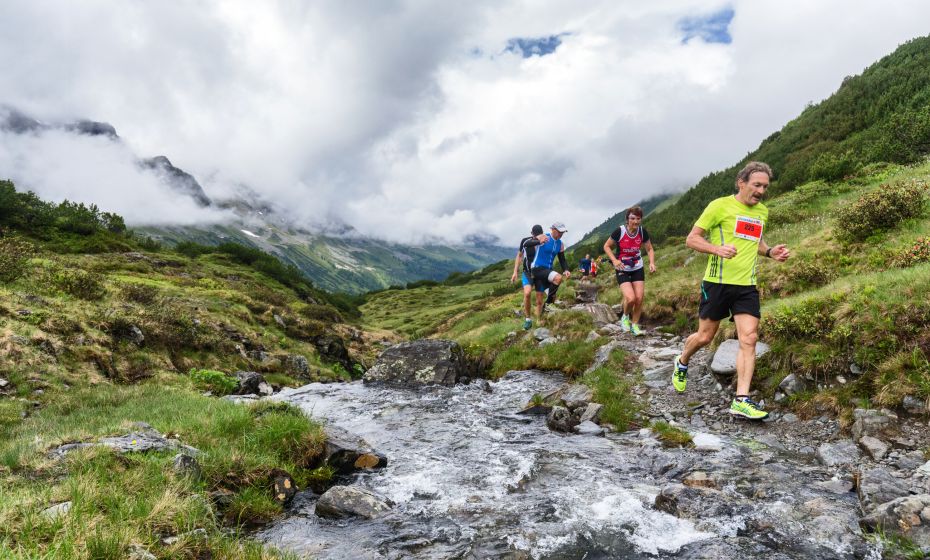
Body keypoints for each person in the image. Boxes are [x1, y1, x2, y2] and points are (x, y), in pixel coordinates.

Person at [672, 161, 790, 420]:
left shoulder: (762, 212)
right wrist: (717, 249)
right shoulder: (719, 206)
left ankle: (741, 399)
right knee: (704, 337)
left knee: (749, 338)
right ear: (742, 183)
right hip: (717, 283)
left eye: (765, 187)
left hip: (746, 285)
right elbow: (692, 238)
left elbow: (755, 240)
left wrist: (770, 252)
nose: (760, 191)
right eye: (756, 185)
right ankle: (682, 361)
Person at [604, 206, 655, 336]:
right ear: (627, 219)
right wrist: (615, 261)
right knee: (630, 298)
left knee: (639, 298)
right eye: (633, 218)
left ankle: (635, 326)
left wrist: (652, 263)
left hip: (637, 266)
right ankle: (625, 317)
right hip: (622, 268)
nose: (636, 221)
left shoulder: (642, 232)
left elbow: (649, 249)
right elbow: (607, 246)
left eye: (638, 218)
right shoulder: (619, 231)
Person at [530, 222, 571, 324]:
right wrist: (537, 240)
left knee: (542, 300)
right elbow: (528, 243)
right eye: (559, 232)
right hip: (537, 268)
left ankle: (539, 321)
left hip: (547, 271)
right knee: (558, 278)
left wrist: (566, 269)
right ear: (553, 229)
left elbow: (562, 260)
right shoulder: (544, 237)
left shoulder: (560, 244)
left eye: (563, 232)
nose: (561, 234)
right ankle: (547, 307)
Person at [511, 225, 548, 330]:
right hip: (527, 272)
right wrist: (515, 272)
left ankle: (538, 319)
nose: (536, 237)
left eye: (538, 236)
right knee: (527, 293)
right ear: (532, 234)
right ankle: (528, 319)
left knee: (539, 300)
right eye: (534, 235)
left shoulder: (546, 241)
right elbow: (519, 256)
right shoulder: (525, 241)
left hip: (540, 273)